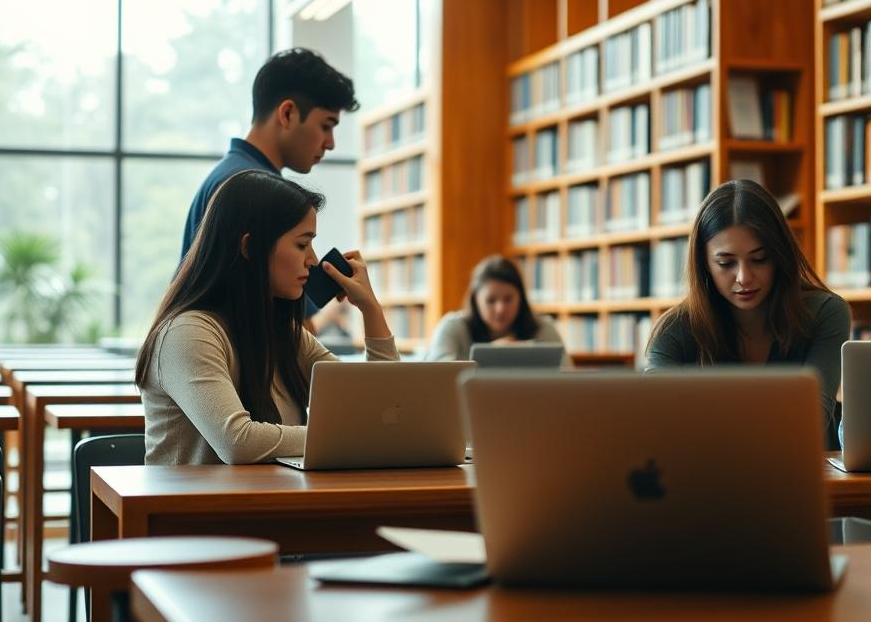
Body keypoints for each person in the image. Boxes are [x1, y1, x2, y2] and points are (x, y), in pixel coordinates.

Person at [139, 170, 397, 465]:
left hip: (274, 504)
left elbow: (383, 410)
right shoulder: (186, 334)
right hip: (201, 509)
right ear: (249, 247)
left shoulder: (284, 333)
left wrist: (370, 310)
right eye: (302, 244)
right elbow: (238, 442)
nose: (312, 261)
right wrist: (352, 433)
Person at [645, 179, 849, 432]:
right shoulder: (674, 329)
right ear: (704, 264)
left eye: (759, 259)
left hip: (799, 469)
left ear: (779, 255)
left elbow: (811, 421)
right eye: (726, 263)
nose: (744, 277)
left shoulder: (825, 314)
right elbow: (656, 421)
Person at [179, 47, 358, 322]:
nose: (330, 143)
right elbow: (291, 326)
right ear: (287, 114)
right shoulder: (249, 189)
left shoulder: (231, 176)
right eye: (326, 125)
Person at [426, 254, 572, 368]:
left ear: (521, 297)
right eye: (491, 300)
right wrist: (489, 358)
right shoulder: (452, 327)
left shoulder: (542, 328)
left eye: (508, 299)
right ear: (476, 301)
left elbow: (567, 376)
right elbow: (436, 374)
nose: (500, 309)